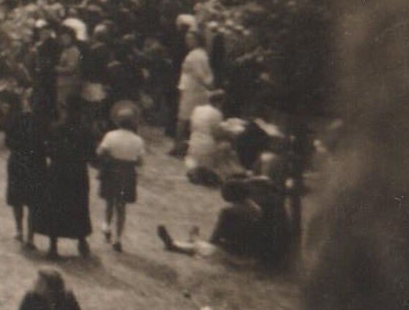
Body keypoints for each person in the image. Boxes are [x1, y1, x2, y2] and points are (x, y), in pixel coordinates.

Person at [34, 104, 94, 259]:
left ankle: (53, 247)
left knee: (55, 206)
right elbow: (91, 156)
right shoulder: (86, 131)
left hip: (57, 171)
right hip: (77, 173)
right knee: (78, 206)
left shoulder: (56, 129)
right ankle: (81, 241)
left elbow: (47, 149)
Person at [157, 178, 267, 260]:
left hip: (234, 255)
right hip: (252, 254)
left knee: (202, 248)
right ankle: (194, 239)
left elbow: (214, 239)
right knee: (205, 246)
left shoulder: (228, 212)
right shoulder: (257, 209)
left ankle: (175, 245)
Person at [94, 105, 145, 252]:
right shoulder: (137, 140)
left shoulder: (110, 135)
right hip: (127, 173)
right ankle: (118, 238)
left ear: (117, 122)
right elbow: (140, 162)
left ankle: (106, 226)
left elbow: (100, 152)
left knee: (109, 201)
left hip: (111, 170)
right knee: (121, 206)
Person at [1, 91, 47, 246]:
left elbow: (7, 142)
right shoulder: (43, 122)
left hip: (18, 161)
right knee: (32, 201)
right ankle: (30, 237)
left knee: (17, 198)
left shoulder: (16, 119)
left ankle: (19, 230)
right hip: (36, 163)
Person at [175, 31, 215, 156]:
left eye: (190, 38)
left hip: (194, 90)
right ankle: (183, 146)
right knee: (188, 119)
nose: (187, 41)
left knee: (184, 119)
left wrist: (208, 85)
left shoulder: (196, 55)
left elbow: (200, 74)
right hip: (194, 89)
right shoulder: (200, 54)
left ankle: (179, 147)